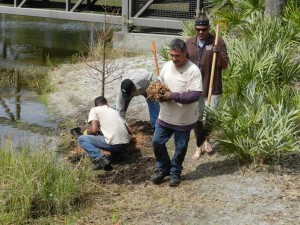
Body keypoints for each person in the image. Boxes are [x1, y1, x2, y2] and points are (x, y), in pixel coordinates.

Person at [150, 38, 202, 187]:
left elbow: (194, 95)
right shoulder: (167, 66)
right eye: (172, 55)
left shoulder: (193, 71)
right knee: (157, 142)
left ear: (185, 53)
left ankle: (175, 172)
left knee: (180, 148)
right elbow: (160, 81)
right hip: (165, 116)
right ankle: (163, 168)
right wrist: (157, 90)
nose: (174, 59)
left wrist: (172, 96)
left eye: (177, 55)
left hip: (183, 120)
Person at [186, 13, 229, 160]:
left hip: (213, 87)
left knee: (210, 119)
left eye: (203, 29)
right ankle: (198, 147)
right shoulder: (189, 43)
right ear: (195, 28)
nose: (200, 32)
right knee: (197, 119)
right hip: (195, 89)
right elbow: (183, 65)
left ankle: (207, 140)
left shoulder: (217, 41)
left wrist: (219, 53)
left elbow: (225, 65)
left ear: (209, 28)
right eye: (198, 29)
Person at [78, 96, 132, 170]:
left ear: (96, 105)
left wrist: (86, 132)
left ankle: (101, 159)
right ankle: (116, 154)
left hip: (115, 145)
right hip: (125, 144)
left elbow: (94, 131)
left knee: (82, 139)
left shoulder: (94, 110)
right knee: (104, 131)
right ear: (107, 104)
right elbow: (130, 131)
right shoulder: (114, 111)